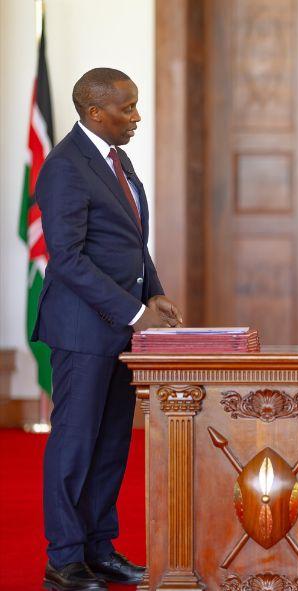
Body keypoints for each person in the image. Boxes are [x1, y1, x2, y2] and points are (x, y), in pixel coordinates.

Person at [33, 67, 182, 591]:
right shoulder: (65, 168)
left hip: (119, 328)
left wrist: (154, 291)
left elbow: (132, 243)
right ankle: (65, 560)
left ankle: (99, 550)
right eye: (128, 107)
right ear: (96, 112)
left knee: (112, 443)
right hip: (83, 332)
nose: (137, 116)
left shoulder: (116, 160)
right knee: (75, 446)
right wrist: (134, 312)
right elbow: (67, 260)